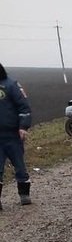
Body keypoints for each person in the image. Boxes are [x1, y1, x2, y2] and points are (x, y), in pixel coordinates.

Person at [0, 63, 32, 209]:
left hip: (12, 135)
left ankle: (24, 195)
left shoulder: (11, 85)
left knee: (19, 166)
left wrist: (23, 127)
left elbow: (23, 107)